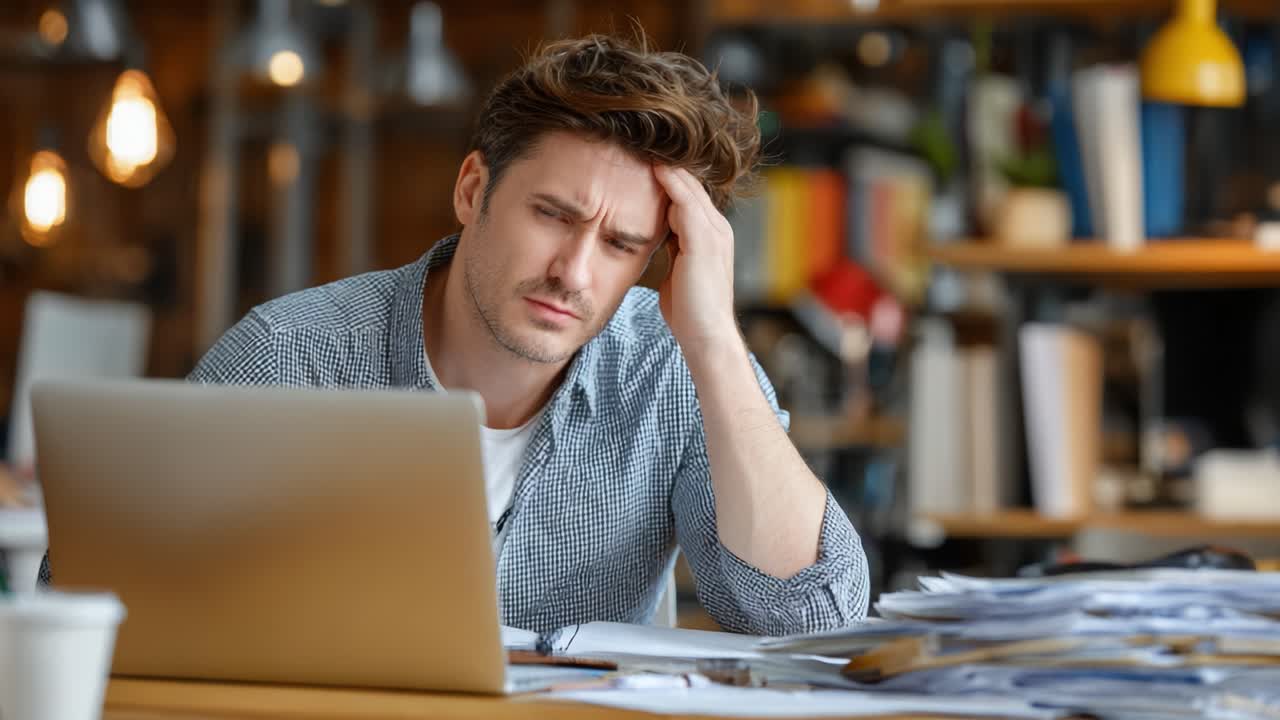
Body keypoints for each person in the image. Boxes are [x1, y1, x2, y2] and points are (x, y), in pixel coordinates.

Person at [41, 33, 868, 635]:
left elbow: (808, 614)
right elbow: (90, 606)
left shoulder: (674, 373)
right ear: (474, 188)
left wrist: (716, 344)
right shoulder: (288, 356)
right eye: (552, 215)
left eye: (621, 246)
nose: (574, 273)